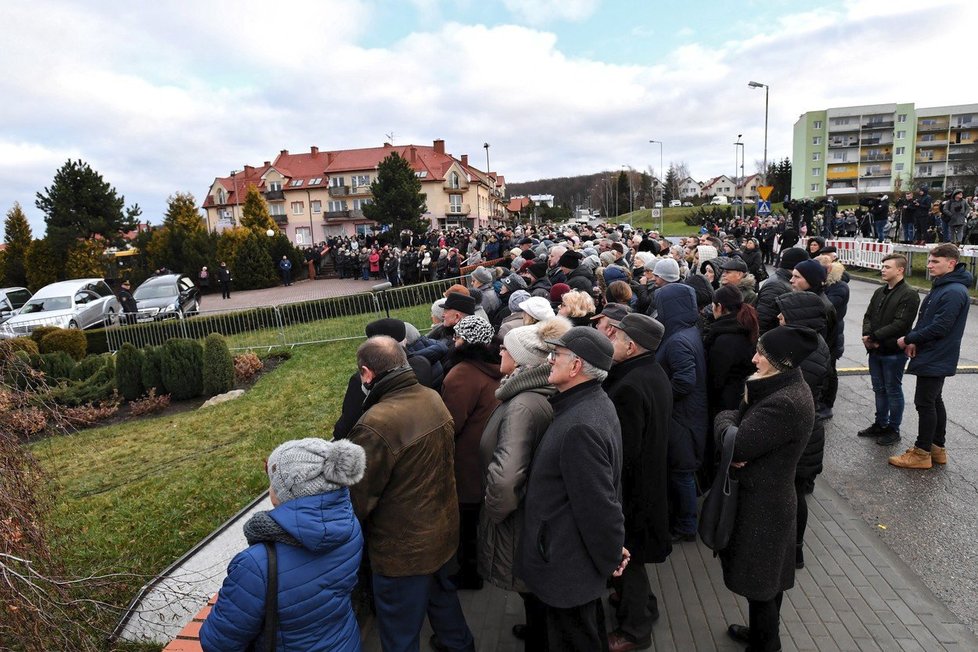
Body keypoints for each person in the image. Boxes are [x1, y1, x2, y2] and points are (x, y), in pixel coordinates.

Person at [346, 337, 475, 652]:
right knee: (445, 606)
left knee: (400, 634)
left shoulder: (377, 423)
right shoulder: (431, 396)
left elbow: (358, 498)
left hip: (403, 552)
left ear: (367, 373)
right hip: (442, 535)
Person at [519, 326, 627, 652]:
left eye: (558, 355)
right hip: (568, 561)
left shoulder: (580, 424)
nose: (550, 360)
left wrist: (611, 554)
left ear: (577, 366)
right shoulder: (587, 405)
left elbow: (598, 505)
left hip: (566, 567)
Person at [200, 438, 365, 651]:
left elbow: (217, 643)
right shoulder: (350, 527)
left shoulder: (256, 565)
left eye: (272, 482)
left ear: (284, 493)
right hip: (344, 643)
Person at [716, 325, 818, 652]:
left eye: (762, 354)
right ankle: (760, 634)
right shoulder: (780, 388)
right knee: (765, 583)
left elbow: (739, 443)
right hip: (768, 501)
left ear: (780, 362)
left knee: (761, 585)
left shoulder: (784, 401)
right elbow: (738, 428)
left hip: (764, 507)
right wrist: (733, 427)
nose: (754, 358)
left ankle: (765, 644)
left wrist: (726, 426)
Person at [479, 317, 572, 651]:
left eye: (506, 346)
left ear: (519, 359)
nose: (499, 349)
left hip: (521, 515)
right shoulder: (533, 392)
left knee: (532, 588)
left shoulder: (522, 404)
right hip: (534, 511)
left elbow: (506, 478)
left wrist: (492, 510)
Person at [604, 314, 673, 652]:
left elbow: (624, 451)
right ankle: (644, 605)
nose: (610, 343)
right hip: (650, 486)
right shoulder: (651, 372)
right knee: (637, 557)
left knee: (629, 559)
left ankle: (634, 630)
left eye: (615, 338)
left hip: (634, 492)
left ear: (630, 346)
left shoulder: (630, 386)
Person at [891, 244, 973, 469]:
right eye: (929, 261)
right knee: (934, 400)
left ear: (951, 263)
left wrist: (909, 338)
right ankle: (936, 449)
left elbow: (940, 326)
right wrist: (916, 339)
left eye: (935, 262)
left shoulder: (954, 290)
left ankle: (922, 452)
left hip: (937, 353)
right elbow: (928, 318)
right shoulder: (944, 286)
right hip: (933, 351)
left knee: (925, 402)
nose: (929, 265)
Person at [441, 315, 502, 592]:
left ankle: (469, 573)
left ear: (465, 342)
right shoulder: (492, 366)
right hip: (486, 454)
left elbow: (451, 423)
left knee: (466, 522)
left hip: (466, 461)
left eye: (457, 337)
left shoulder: (462, 374)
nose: (453, 341)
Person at [653, 283, 708, 543]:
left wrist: (660, 398)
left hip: (682, 417)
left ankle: (687, 526)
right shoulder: (686, 331)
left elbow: (685, 380)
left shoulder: (677, 340)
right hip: (686, 415)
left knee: (681, 471)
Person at [859, 254, 920, 446]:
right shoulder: (880, 291)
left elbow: (901, 324)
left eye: (887, 267)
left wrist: (875, 337)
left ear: (900, 270)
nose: (883, 269)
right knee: (879, 389)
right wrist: (868, 336)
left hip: (892, 352)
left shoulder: (909, 294)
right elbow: (868, 315)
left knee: (893, 390)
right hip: (875, 350)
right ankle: (880, 423)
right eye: (882, 266)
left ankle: (893, 428)